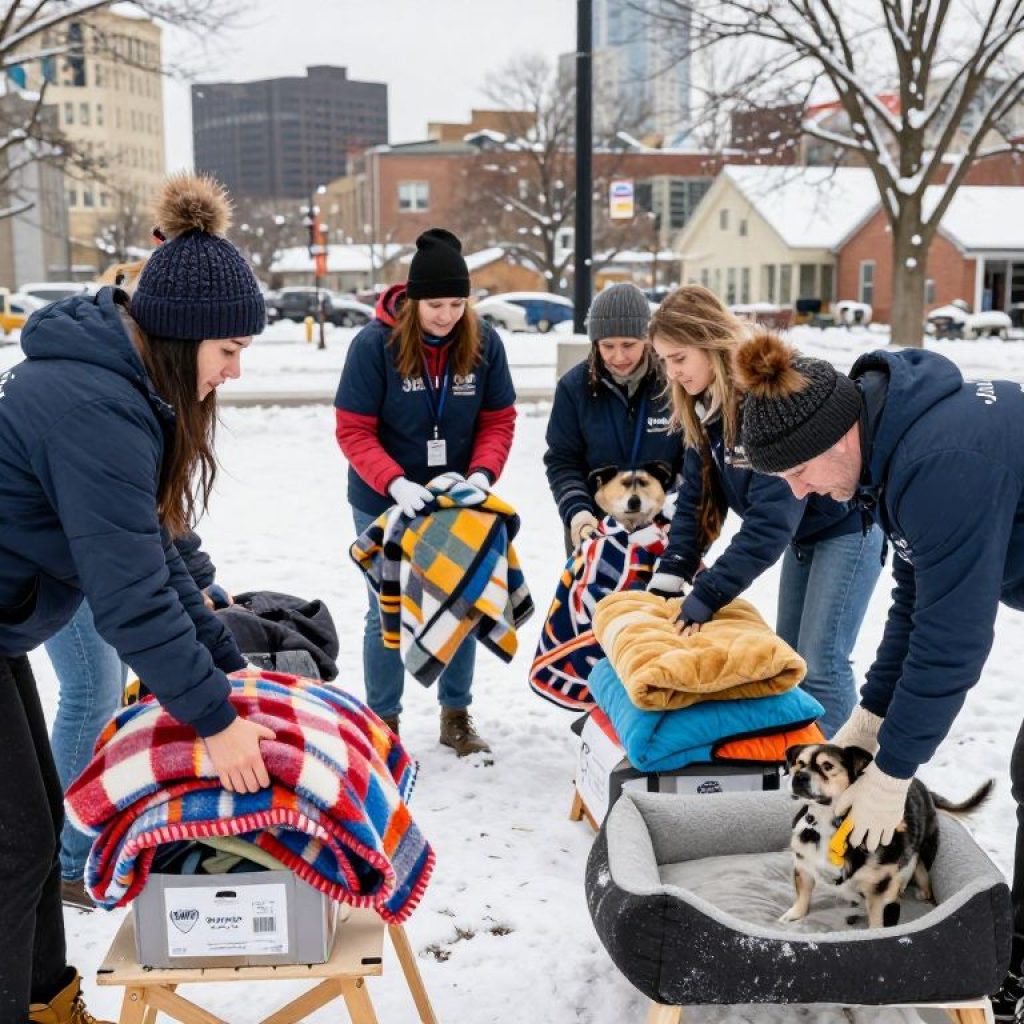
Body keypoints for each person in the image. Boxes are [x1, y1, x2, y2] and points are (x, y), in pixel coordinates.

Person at [0, 172, 273, 1024]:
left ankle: (47, 1002)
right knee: (14, 846)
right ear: (181, 337)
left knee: (37, 827)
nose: (234, 371)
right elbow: (129, 599)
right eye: (228, 351)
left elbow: (157, 554)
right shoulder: (95, 408)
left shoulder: (121, 389)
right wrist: (216, 721)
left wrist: (228, 674)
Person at [732, 330, 1024, 1022]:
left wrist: (894, 775)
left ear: (835, 439)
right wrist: (869, 717)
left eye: (798, 473)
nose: (801, 492)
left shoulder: (941, 461)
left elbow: (951, 643)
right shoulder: (890, 453)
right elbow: (914, 600)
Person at [643, 286, 883, 736]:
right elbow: (697, 499)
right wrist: (673, 569)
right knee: (791, 657)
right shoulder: (704, 408)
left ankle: (847, 782)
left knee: (822, 661)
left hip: (848, 526)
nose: (672, 374)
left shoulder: (761, 403)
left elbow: (769, 523)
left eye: (679, 358)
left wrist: (708, 595)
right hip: (804, 538)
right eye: (664, 362)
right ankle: (804, 765)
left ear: (709, 343)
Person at [335, 228, 516, 756]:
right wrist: (393, 481)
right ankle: (382, 721)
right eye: (436, 304)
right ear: (412, 300)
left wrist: (482, 474)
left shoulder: (484, 343)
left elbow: (498, 420)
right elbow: (353, 429)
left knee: (461, 598)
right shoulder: (375, 345)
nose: (446, 315)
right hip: (383, 496)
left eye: (457, 303)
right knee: (385, 607)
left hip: (458, 499)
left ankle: (455, 714)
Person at [45, 531, 230, 912]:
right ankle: (70, 866)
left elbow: (152, 512)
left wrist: (196, 578)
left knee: (109, 692)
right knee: (90, 693)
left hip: (102, 552)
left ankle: (92, 842)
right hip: (66, 549)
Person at [544, 282, 683, 554]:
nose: (619, 356)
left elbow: (693, 459)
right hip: (594, 529)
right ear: (595, 342)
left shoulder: (675, 383)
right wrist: (578, 513)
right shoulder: (573, 387)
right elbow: (563, 460)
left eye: (629, 344)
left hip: (664, 531)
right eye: (608, 345)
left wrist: (678, 514)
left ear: (647, 339)